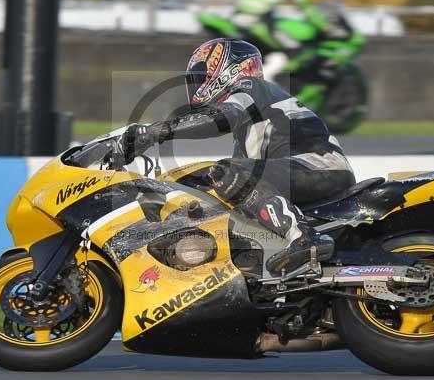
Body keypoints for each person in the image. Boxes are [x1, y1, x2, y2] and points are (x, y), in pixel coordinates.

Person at [129, 38, 356, 276]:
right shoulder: (247, 130)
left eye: (202, 75)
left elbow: (223, 118)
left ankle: (303, 238)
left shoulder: (250, 86)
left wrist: (153, 132)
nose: (198, 84)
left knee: (227, 172)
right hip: (307, 170)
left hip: (319, 165)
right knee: (220, 181)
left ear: (228, 68)